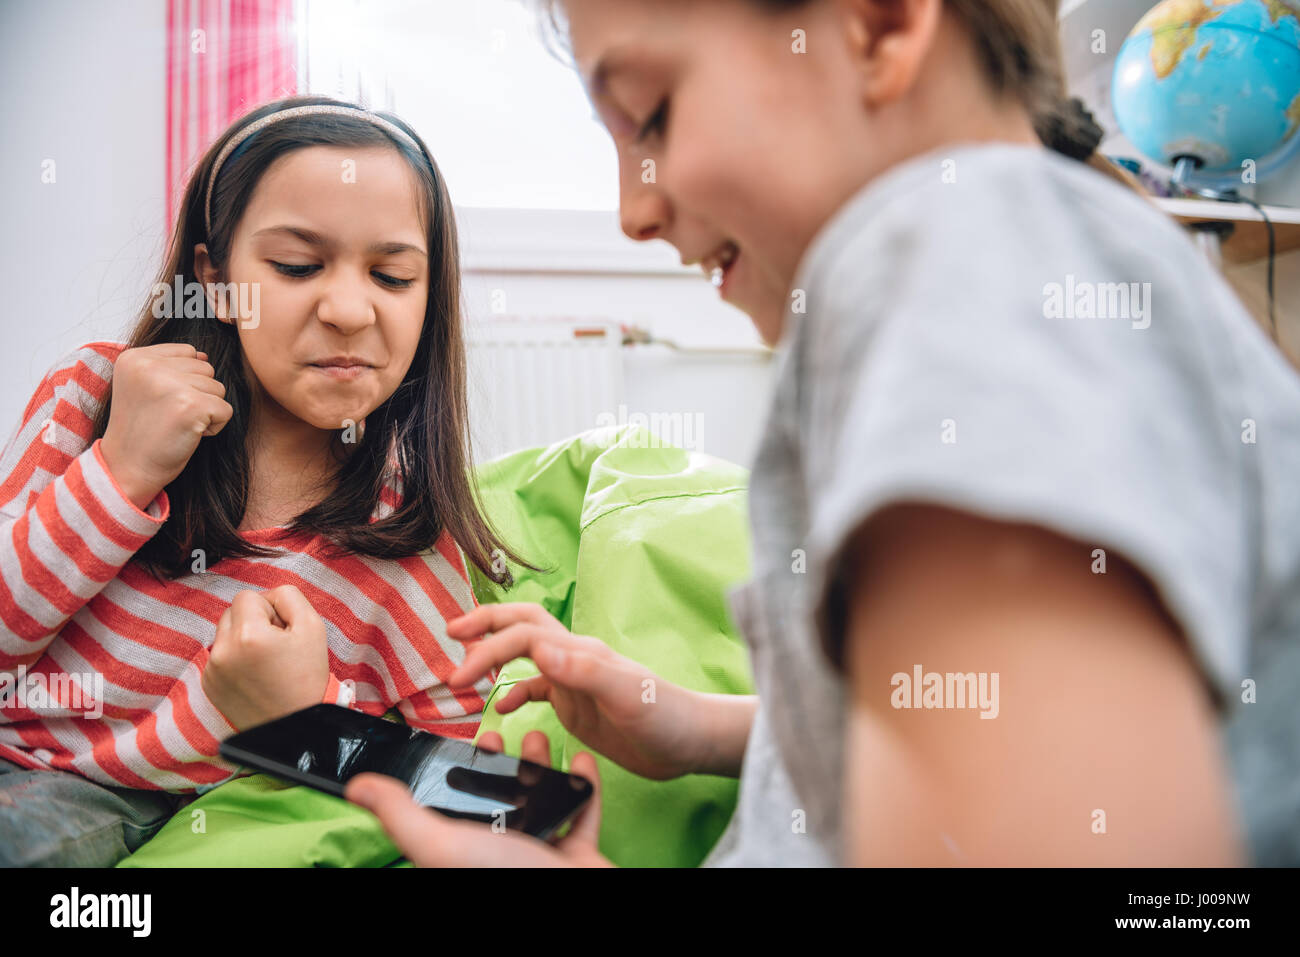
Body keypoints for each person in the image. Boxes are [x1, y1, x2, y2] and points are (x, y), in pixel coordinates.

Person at [346, 0, 1300, 866]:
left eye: (654, 116)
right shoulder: (1026, 253)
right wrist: (701, 729)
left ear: (882, 27)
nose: (634, 212)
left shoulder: (965, 245)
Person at [0, 95, 527, 867]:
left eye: (391, 275)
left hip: (84, 796)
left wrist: (300, 721)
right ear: (214, 277)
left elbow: (469, 790)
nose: (349, 309)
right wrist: (120, 474)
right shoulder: (92, 398)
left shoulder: (405, 548)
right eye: (296, 266)